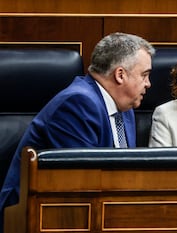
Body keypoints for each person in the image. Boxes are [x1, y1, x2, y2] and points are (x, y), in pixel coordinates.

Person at [0, 32, 155, 231]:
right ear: (120, 75)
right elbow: (84, 185)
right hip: (30, 218)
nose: (148, 83)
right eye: (144, 75)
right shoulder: (78, 103)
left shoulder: (124, 108)